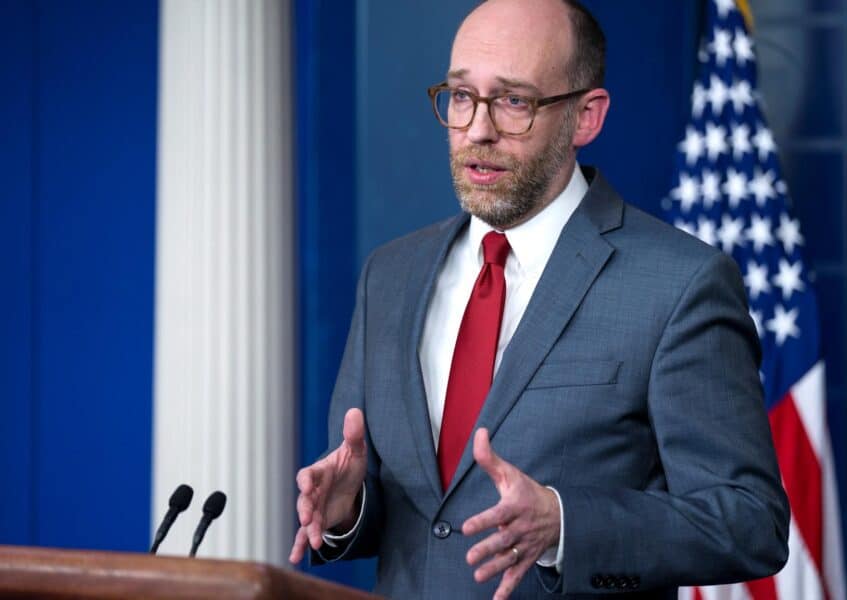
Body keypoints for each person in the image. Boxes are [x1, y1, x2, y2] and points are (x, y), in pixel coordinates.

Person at [289, 0, 790, 597]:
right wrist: (348, 511)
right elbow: (421, 519)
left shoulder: (681, 283)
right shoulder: (389, 276)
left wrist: (565, 526)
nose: (477, 129)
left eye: (513, 101)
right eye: (461, 96)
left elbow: (750, 522)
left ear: (586, 117)